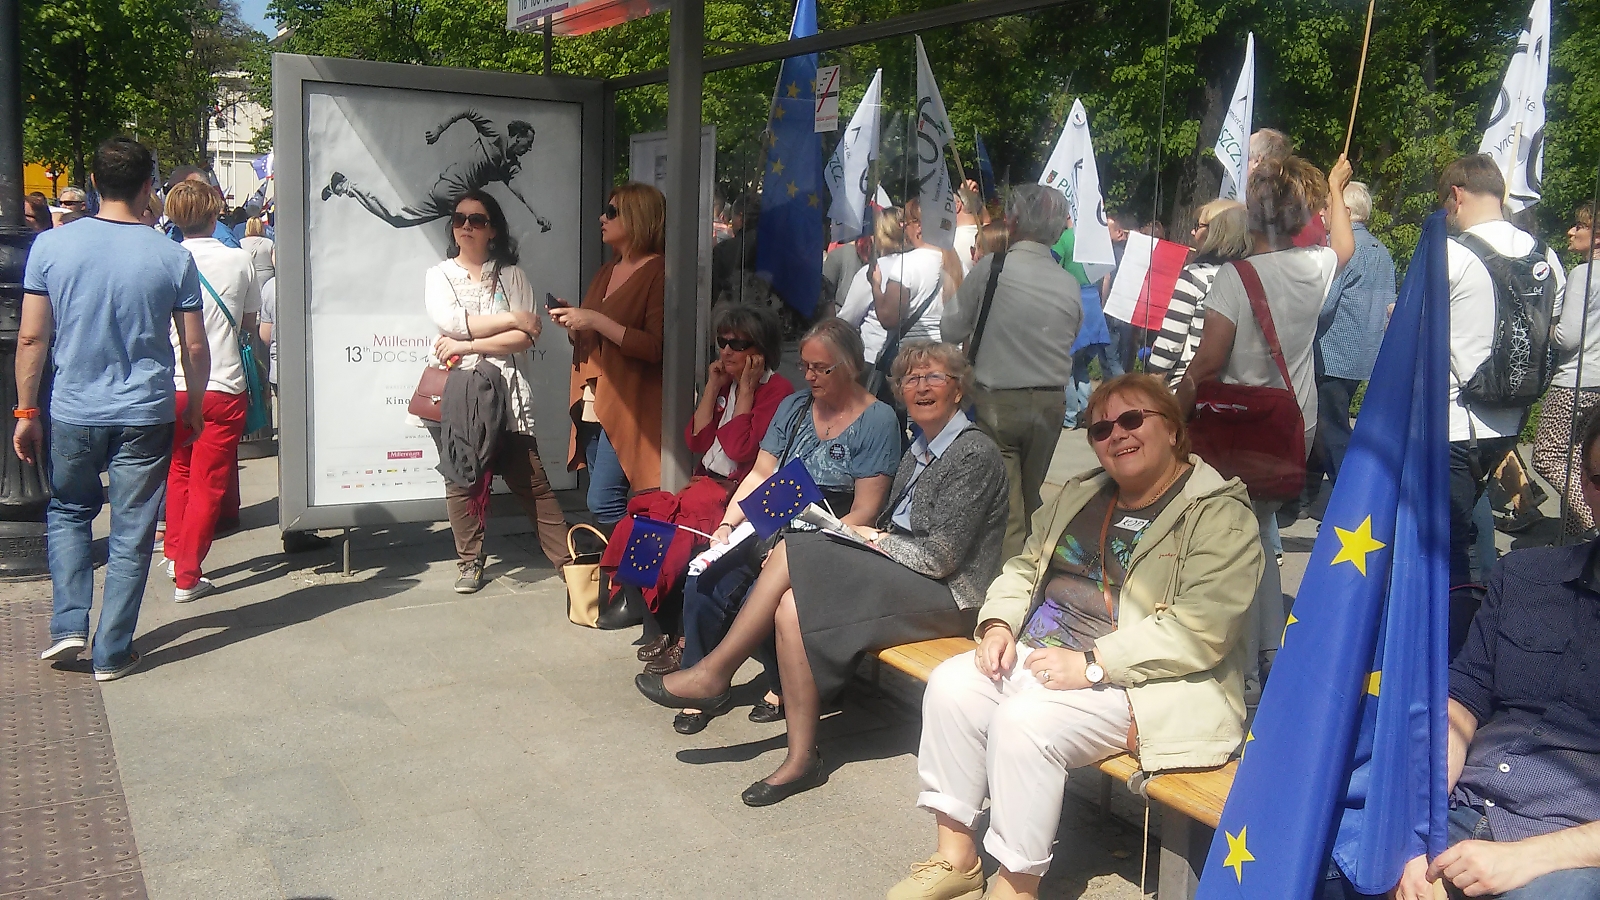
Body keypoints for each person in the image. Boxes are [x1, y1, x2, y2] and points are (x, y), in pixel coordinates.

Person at [889, 374, 1262, 900]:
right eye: (1101, 428)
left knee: (1026, 723)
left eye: (1132, 419)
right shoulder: (1083, 493)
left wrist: (1093, 662)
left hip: (1146, 684)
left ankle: (1016, 886)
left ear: (1174, 431)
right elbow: (1024, 567)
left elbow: (1202, 630)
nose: (1117, 435)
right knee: (952, 684)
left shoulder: (1219, 514)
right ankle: (958, 858)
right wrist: (997, 624)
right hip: (1044, 655)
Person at [639, 340, 1009, 807]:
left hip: (949, 595)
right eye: (911, 379)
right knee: (792, 606)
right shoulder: (919, 445)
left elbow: (941, 559)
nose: (920, 387)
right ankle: (801, 759)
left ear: (958, 389)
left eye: (934, 377)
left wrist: (870, 538)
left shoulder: (972, 453)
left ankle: (715, 672)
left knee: (793, 549)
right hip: (905, 575)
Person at [1380, 407, 1600, 900]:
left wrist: (1527, 858)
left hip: (1570, 851)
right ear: (1585, 486)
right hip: (1461, 806)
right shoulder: (1526, 576)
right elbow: (1464, 698)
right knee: (1311, 853)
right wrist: (1413, 830)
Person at [18, 137, 210, 680]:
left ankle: (68, 624)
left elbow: (32, 338)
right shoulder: (173, 256)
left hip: (75, 407)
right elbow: (194, 346)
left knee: (69, 511)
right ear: (149, 187)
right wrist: (194, 405)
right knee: (132, 529)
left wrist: (26, 412)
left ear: (94, 185)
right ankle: (112, 650)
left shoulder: (51, 247)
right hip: (146, 410)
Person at [1178, 155, 1355, 697]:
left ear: (1253, 217)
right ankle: (1269, 652)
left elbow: (1207, 364)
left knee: (1231, 542)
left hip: (1237, 429)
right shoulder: (1316, 266)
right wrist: (1336, 188)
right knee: (1257, 533)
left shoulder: (1235, 276)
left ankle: (1245, 669)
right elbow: (1345, 246)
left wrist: (1171, 412)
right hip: (1292, 423)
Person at [668, 318, 899, 734]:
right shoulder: (795, 406)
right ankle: (701, 681)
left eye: (821, 368)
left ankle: (781, 683)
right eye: (805, 365)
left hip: (832, 523)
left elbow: (865, 510)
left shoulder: (878, 419)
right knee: (706, 576)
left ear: (850, 365)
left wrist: (802, 546)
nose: (809, 376)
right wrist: (728, 523)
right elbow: (760, 474)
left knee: (760, 595)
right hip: (778, 507)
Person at [609, 303, 795, 672]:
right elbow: (695, 440)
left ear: (760, 350)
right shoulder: (725, 383)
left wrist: (746, 394)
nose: (726, 351)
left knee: (674, 537)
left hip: (734, 495)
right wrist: (712, 387)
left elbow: (741, 450)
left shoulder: (778, 391)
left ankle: (680, 637)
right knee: (643, 523)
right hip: (704, 483)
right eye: (721, 342)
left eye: (738, 344)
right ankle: (656, 625)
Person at [420, 190, 571, 593]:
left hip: (507, 393)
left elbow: (526, 336)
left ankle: (569, 562)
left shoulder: (512, 275)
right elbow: (451, 321)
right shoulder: (439, 275)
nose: (466, 226)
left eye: (477, 220)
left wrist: (469, 342)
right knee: (462, 477)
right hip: (457, 393)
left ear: (493, 230)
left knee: (531, 480)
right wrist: (512, 318)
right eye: (460, 219)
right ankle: (469, 561)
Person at [1437, 154, 1565, 595]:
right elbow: (1555, 334)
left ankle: (1458, 624)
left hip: (1455, 419)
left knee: (1444, 542)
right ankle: (1480, 608)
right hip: (1510, 419)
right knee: (1469, 524)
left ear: (1456, 195)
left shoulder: (1450, 252)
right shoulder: (1546, 256)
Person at [943, 184, 1083, 561]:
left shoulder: (992, 268)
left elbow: (950, 329)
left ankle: (1008, 579)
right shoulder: (1068, 283)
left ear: (1014, 221)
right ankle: (1035, 564)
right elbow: (1071, 335)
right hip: (1051, 402)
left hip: (999, 401)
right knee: (1031, 495)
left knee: (1007, 505)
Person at [160, 180, 262, 603]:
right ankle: (188, 574)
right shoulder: (239, 260)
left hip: (172, 384)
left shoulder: (165, 258)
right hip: (222, 383)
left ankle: (173, 553)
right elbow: (251, 323)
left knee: (179, 471)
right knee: (209, 482)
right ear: (215, 213)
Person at [555, 183, 666, 531]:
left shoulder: (658, 272)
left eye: (612, 212)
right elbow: (593, 334)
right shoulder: (608, 270)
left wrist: (595, 320)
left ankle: (636, 561)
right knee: (602, 498)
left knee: (603, 500)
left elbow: (654, 347)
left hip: (627, 403)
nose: (602, 218)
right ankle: (621, 563)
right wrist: (573, 323)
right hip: (593, 400)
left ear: (637, 217)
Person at [320, 110, 552, 231]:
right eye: (528, 143)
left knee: (399, 219)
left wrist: (537, 214)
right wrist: (439, 129)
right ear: (518, 137)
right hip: (454, 190)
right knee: (483, 227)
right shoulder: (495, 135)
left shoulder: (510, 166)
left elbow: (522, 192)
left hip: (450, 195)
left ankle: (345, 186)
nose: (529, 149)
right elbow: (468, 111)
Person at [1314, 181, 1395, 486]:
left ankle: (1352, 494)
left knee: (1331, 430)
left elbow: (1324, 305)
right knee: (1324, 425)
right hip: (1363, 356)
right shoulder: (1381, 251)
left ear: (1345, 212)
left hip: (1331, 354)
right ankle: (1304, 495)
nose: (1322, 213)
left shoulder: (1342, 251)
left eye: (1327, 206)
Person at [1532, 202, 1600, 537]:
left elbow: (1568, 336)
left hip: (1574, 381)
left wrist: (1546, 330)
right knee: (1576, 459)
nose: (1571, 232)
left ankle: (1589, 521)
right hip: (1598, 384)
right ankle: (1573, 542)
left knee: (1547, 457)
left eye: (1580, 226)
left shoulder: (1583, 274)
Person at [1147, 200, 1250, 388]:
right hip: (1233, 386)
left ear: (1217, 230)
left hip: (1186, 387)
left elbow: (1170, 345)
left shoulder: (1195, 276)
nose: (1192, 232)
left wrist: (1150, 385)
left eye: (1198, 226)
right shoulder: (1249, 276)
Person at [838, 206, 951, 369]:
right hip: (938, 356)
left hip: (885, 359)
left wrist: (875, 285)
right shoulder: (950, 263)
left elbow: (848, 320)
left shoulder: (894, 267)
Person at [163, 167, 241, 248]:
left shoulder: (224, 240)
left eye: (186, 190)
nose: (172, 195)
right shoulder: (173, 232)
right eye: (168, 189)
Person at [952, 180, 985, 274]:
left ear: (957, 205)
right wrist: (975, 198)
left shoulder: (949, 242)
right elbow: (986, 219)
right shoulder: (991, 234)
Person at [240, 215, 274, 287]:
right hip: (267, 279)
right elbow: (276, 264)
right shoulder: (269, 243)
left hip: (248, 278)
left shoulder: (240, 243)